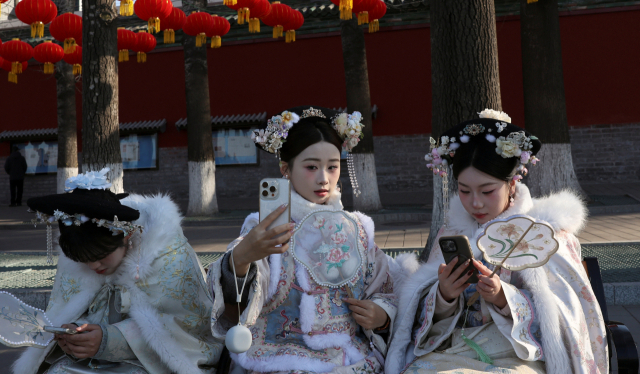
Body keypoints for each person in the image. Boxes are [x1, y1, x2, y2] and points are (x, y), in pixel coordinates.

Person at [385, 109, 608, 374]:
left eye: (487, 191)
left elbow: (567, 315)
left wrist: (504, 297)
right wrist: (444, 295)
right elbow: (421, 317)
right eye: (465, 191)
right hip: (453, 351)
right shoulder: (453, 231)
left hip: (518, 355)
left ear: (512, 183)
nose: (475, 203)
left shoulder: (543, 232)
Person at [206, 106, 396, 374]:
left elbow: (384, 290)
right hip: (274, 354)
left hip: (346, 354)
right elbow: (235, 301)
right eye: (311, 167)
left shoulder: (359, 229)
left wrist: (381, 314)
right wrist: (242, 257)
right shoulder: (262, 226)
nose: (323, 179)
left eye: (332, 167)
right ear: (286, 169)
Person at [13, 168, 223, 374]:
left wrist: (111, 340)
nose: (94, 266)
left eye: (100, 256)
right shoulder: (74, 263)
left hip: (149, 365)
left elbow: (190, 328)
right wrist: (74, 334)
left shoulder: (168, 255)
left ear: (126, 235)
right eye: (84, 260)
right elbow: (66, 307)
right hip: (87, 363)